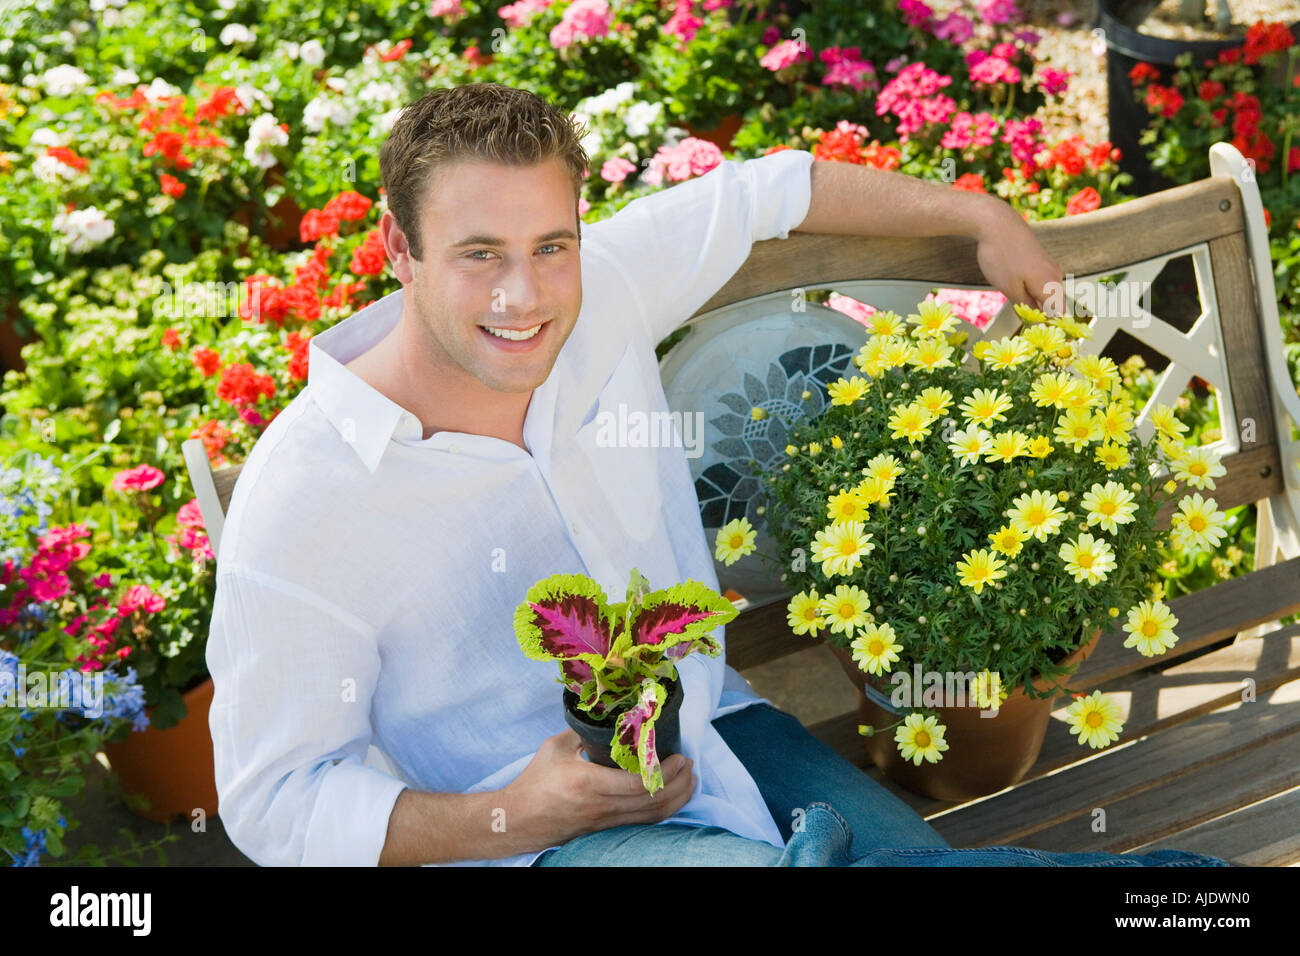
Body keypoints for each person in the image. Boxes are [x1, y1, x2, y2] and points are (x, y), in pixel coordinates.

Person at [206, 82, 1231, 867]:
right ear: (399, 246)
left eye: (549, 244)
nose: (523, 296)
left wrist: (976, 212)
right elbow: (274, 796)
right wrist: (513, 810)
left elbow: (765, 191)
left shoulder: (596, 291)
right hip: (542, 842)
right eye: (478, 253)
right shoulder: (308, 496)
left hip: (727, 731)